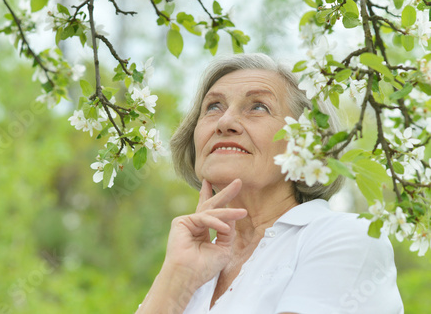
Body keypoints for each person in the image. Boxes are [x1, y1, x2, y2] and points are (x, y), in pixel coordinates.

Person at [136, 54, 403, 314]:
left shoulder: (347, 237)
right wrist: (176, 276)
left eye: (258, 107)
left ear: (307, 146)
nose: (225, 122)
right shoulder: (194, 259)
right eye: (213, 107)